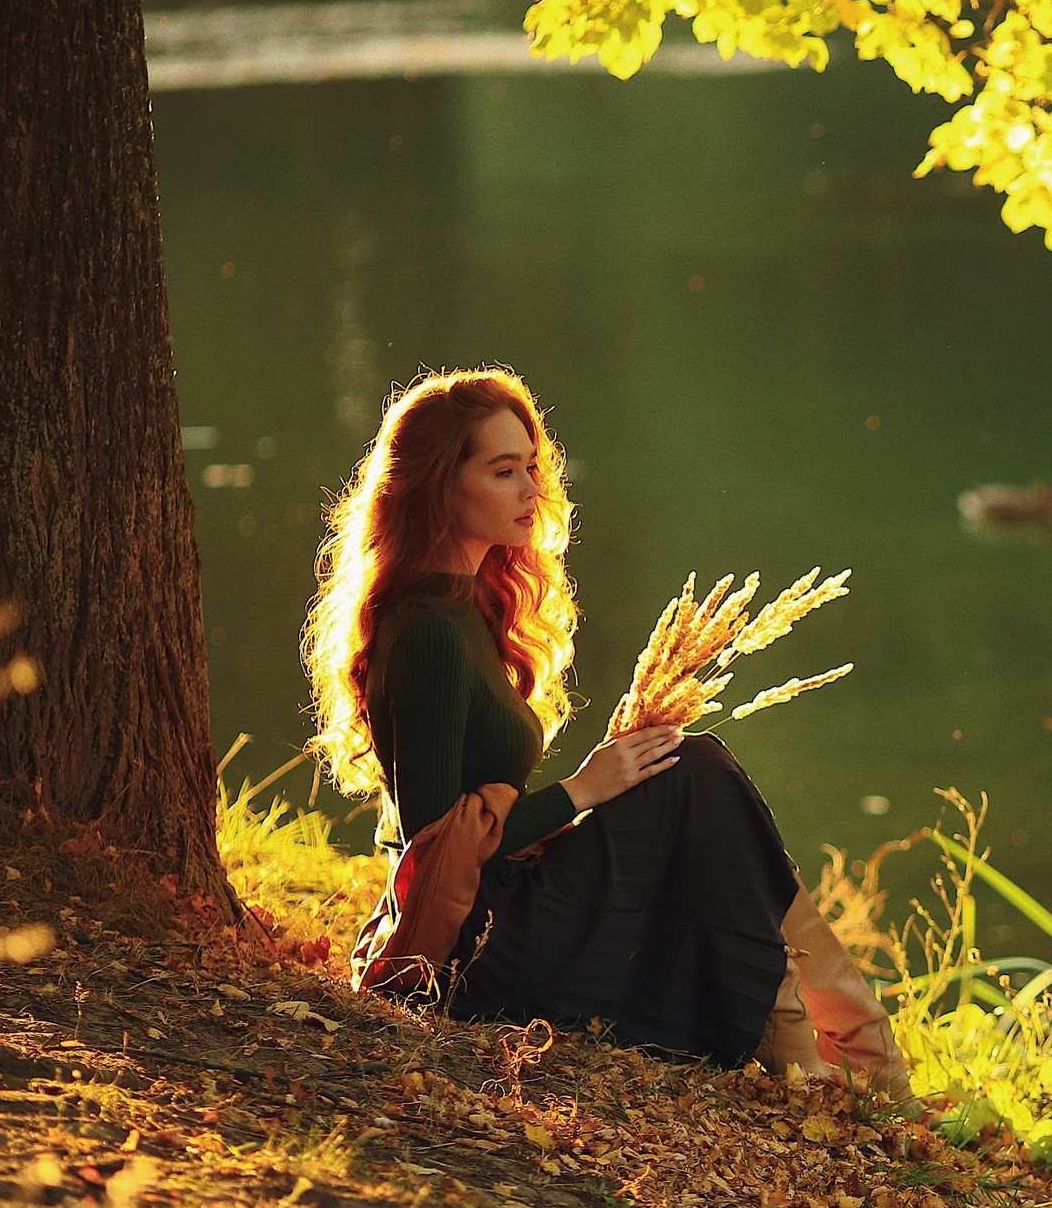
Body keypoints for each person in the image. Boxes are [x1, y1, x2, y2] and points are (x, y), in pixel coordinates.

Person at [302, 368, 907, 1095]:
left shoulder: (469, 606)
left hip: (508, 904)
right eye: (504, 471)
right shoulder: (429, 630)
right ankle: (855, 1055)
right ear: (438, 483)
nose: (532, 488)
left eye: (532, 467)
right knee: (696, 777)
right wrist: (585, 789)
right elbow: (432, 839)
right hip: (475, 950)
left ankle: (827, 1052)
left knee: (693, 773)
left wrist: (596, 790)